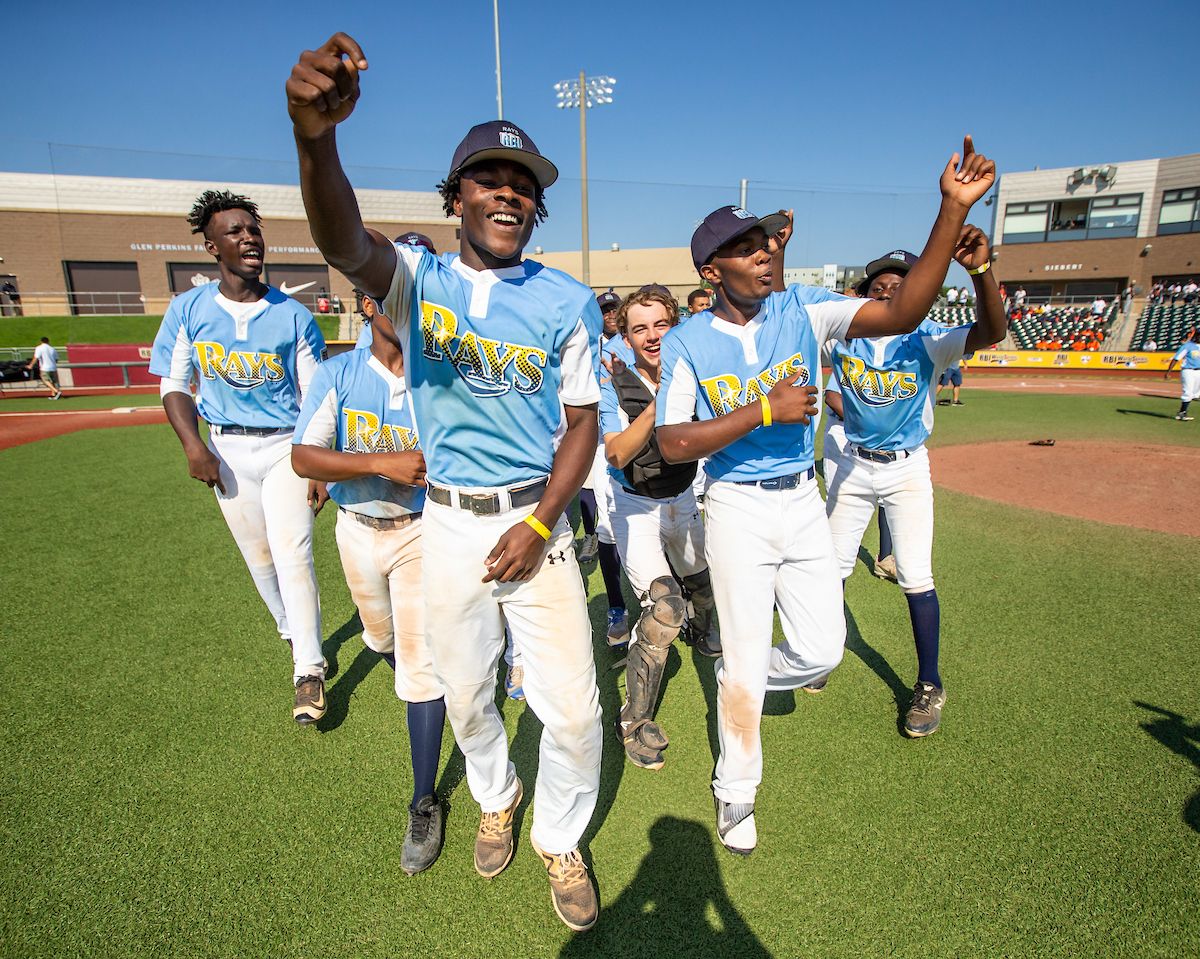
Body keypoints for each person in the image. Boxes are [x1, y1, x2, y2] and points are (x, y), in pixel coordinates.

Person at [287, 33, 603, 931]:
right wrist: (317, 139)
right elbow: (343, 238)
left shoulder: (567, 299)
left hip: (534, 527)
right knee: (466, 694)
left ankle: (560, 836)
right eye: (488, 178)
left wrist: (543, 525)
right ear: (455, 196)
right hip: (450, 526)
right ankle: (496, 794)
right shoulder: (414, 283)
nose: (509, 191)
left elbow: (582, 424)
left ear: (538, 211)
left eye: (526, 184)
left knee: (575, 711)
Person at [655, 136, 995, 855]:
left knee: (821, 651)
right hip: (737, 509)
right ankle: (736, 791)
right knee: (750, 664)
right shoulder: (687, 340)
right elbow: (673, 443)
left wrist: (950, 207)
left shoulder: (803, 309)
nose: (764, 253)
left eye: (766, 243)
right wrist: (762, 411)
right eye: (746, 248)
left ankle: (737, 674)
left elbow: (903, 315)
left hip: (805, 499)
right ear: (711, 270)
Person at [148, 189, 328, 724]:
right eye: (234, 231)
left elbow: (315, 398)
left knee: (294, 553)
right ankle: (293, 632)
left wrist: (315, 462)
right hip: (225, 448)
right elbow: (174, 384)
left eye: (253, 229)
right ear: (211, 247)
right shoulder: (188, 310)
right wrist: (193, 445)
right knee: (260, 559)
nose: (248, 238)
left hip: (283, 449)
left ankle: (309, 672)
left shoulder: (294, 316)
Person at [823, 231, 1006, 738]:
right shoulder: (845, 337)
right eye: (878, 285)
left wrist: (980, 271)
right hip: (854, 466)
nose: (887, 291)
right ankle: (823, 651)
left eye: (900, 284)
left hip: (906, 470)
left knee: (916, 578)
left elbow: (992, 331)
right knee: (833, 569)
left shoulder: (927, 338)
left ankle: (929, 683)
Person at [290, 291, 447, 876]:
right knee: (381, 641)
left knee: (420, 664)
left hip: (422, 531)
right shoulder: (339, 372)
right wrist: (378, 463)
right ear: (365, 304)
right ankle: (421, 677)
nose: (406, 307)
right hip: (357, 528)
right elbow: (305, 457)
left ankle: (423, 799)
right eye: (391, 295)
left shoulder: (444, 374)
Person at [600, 285, 719, 771]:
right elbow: (617, 452)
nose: (651, 336)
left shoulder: (697, 369)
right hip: (635, 505)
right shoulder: (614, 383)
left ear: (676, 326)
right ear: (625, 339)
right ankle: (635, 718)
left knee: (702, 585)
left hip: (684, 498)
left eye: (660, 324)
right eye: (639, 328)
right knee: (665, 605)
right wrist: (658, 402)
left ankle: (706, 629)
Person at [585, 288, 634, 647]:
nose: (612, 316)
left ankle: (678, 600)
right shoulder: (588, 348)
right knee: (607, 529)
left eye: (617, 310)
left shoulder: (661, 348)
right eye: (606, 311)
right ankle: (617, 605)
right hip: (608, 447)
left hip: (656, 450)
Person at [1164, 328, 1200, 421]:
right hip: (1188, 371)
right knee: (1188, 392)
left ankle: (1182, 411)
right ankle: (1182, 413)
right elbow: (1176, 358)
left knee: (1195, 394)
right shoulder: (1188, 346)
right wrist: (1168, 372)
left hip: (1198, 372)